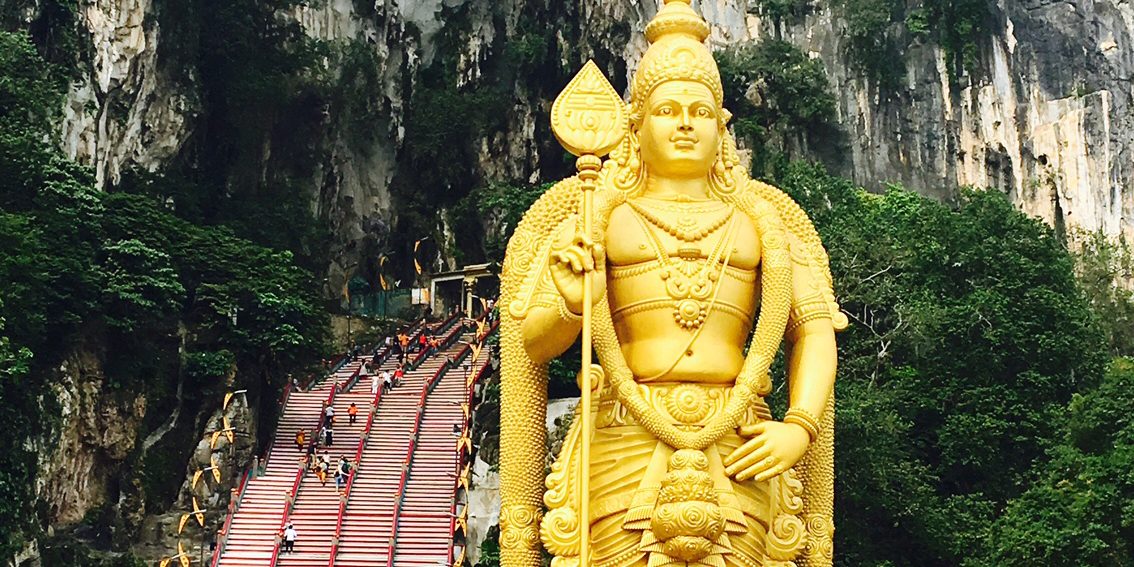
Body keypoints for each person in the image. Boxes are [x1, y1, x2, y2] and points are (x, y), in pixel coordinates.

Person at [496, 2, 842, 565]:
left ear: (721, 127)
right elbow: (531, 345)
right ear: (636, 125)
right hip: (623, 435)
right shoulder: (593, 218)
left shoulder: (766, 222)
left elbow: (814, 329)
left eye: (700, 111)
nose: (685, 123)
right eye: (668, 110)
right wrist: (572, 306)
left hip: (739, 439)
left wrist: (799, 426)